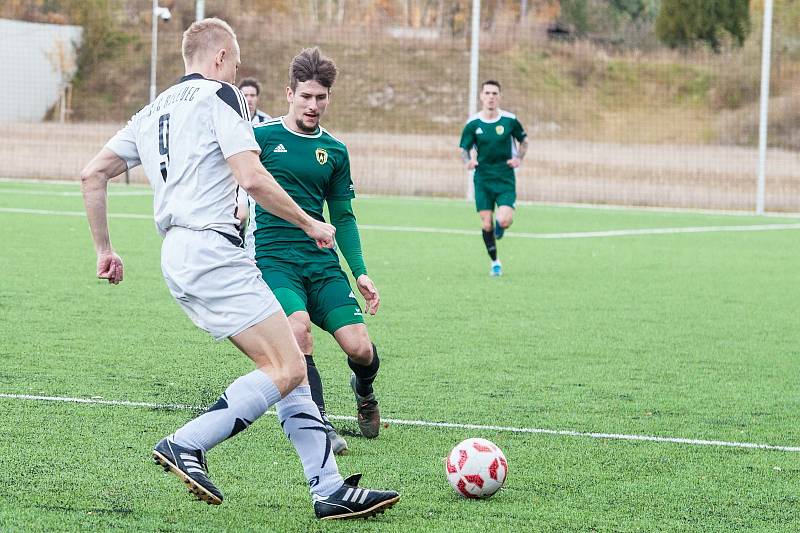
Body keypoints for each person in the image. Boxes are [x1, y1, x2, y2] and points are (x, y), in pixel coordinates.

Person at [79, 18, 399, 520]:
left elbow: (92, 173)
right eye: (238, 62)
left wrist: (105, 248)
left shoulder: (151, 110)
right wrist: (309, 222)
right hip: (214, 252)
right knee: (290, 366)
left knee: (286, 361)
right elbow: (251, 177)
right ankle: (188, 443)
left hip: (177, 255)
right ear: (222, 58)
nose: (237, 72)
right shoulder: (221, 97)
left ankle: (327, 488)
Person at [247, 48, 382, 457]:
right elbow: (240, 180)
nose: (313, 105)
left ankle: (363, 388)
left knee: (359, 347)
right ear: (289, 94)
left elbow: (343, 215)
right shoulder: (262, 138)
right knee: (298, 328)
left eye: (321, 97)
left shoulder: (335, 151)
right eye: (305, 96)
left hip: (321, 263)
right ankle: (318, 423)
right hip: (275, 259)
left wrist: (359, 271)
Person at [458, 80, 528, 277]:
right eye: (487, 93)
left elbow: (524, 140)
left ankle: (501, 225)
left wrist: (519, 158)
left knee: (504, 220)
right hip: (483, 178)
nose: (491, 96)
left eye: (494, 93)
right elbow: (463, 148)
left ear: (499, 97)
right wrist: (468, 162)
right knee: (486, 223)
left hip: (505, 177)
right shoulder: (473, 124)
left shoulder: (509, 120)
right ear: (481, 96)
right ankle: (495, 262)